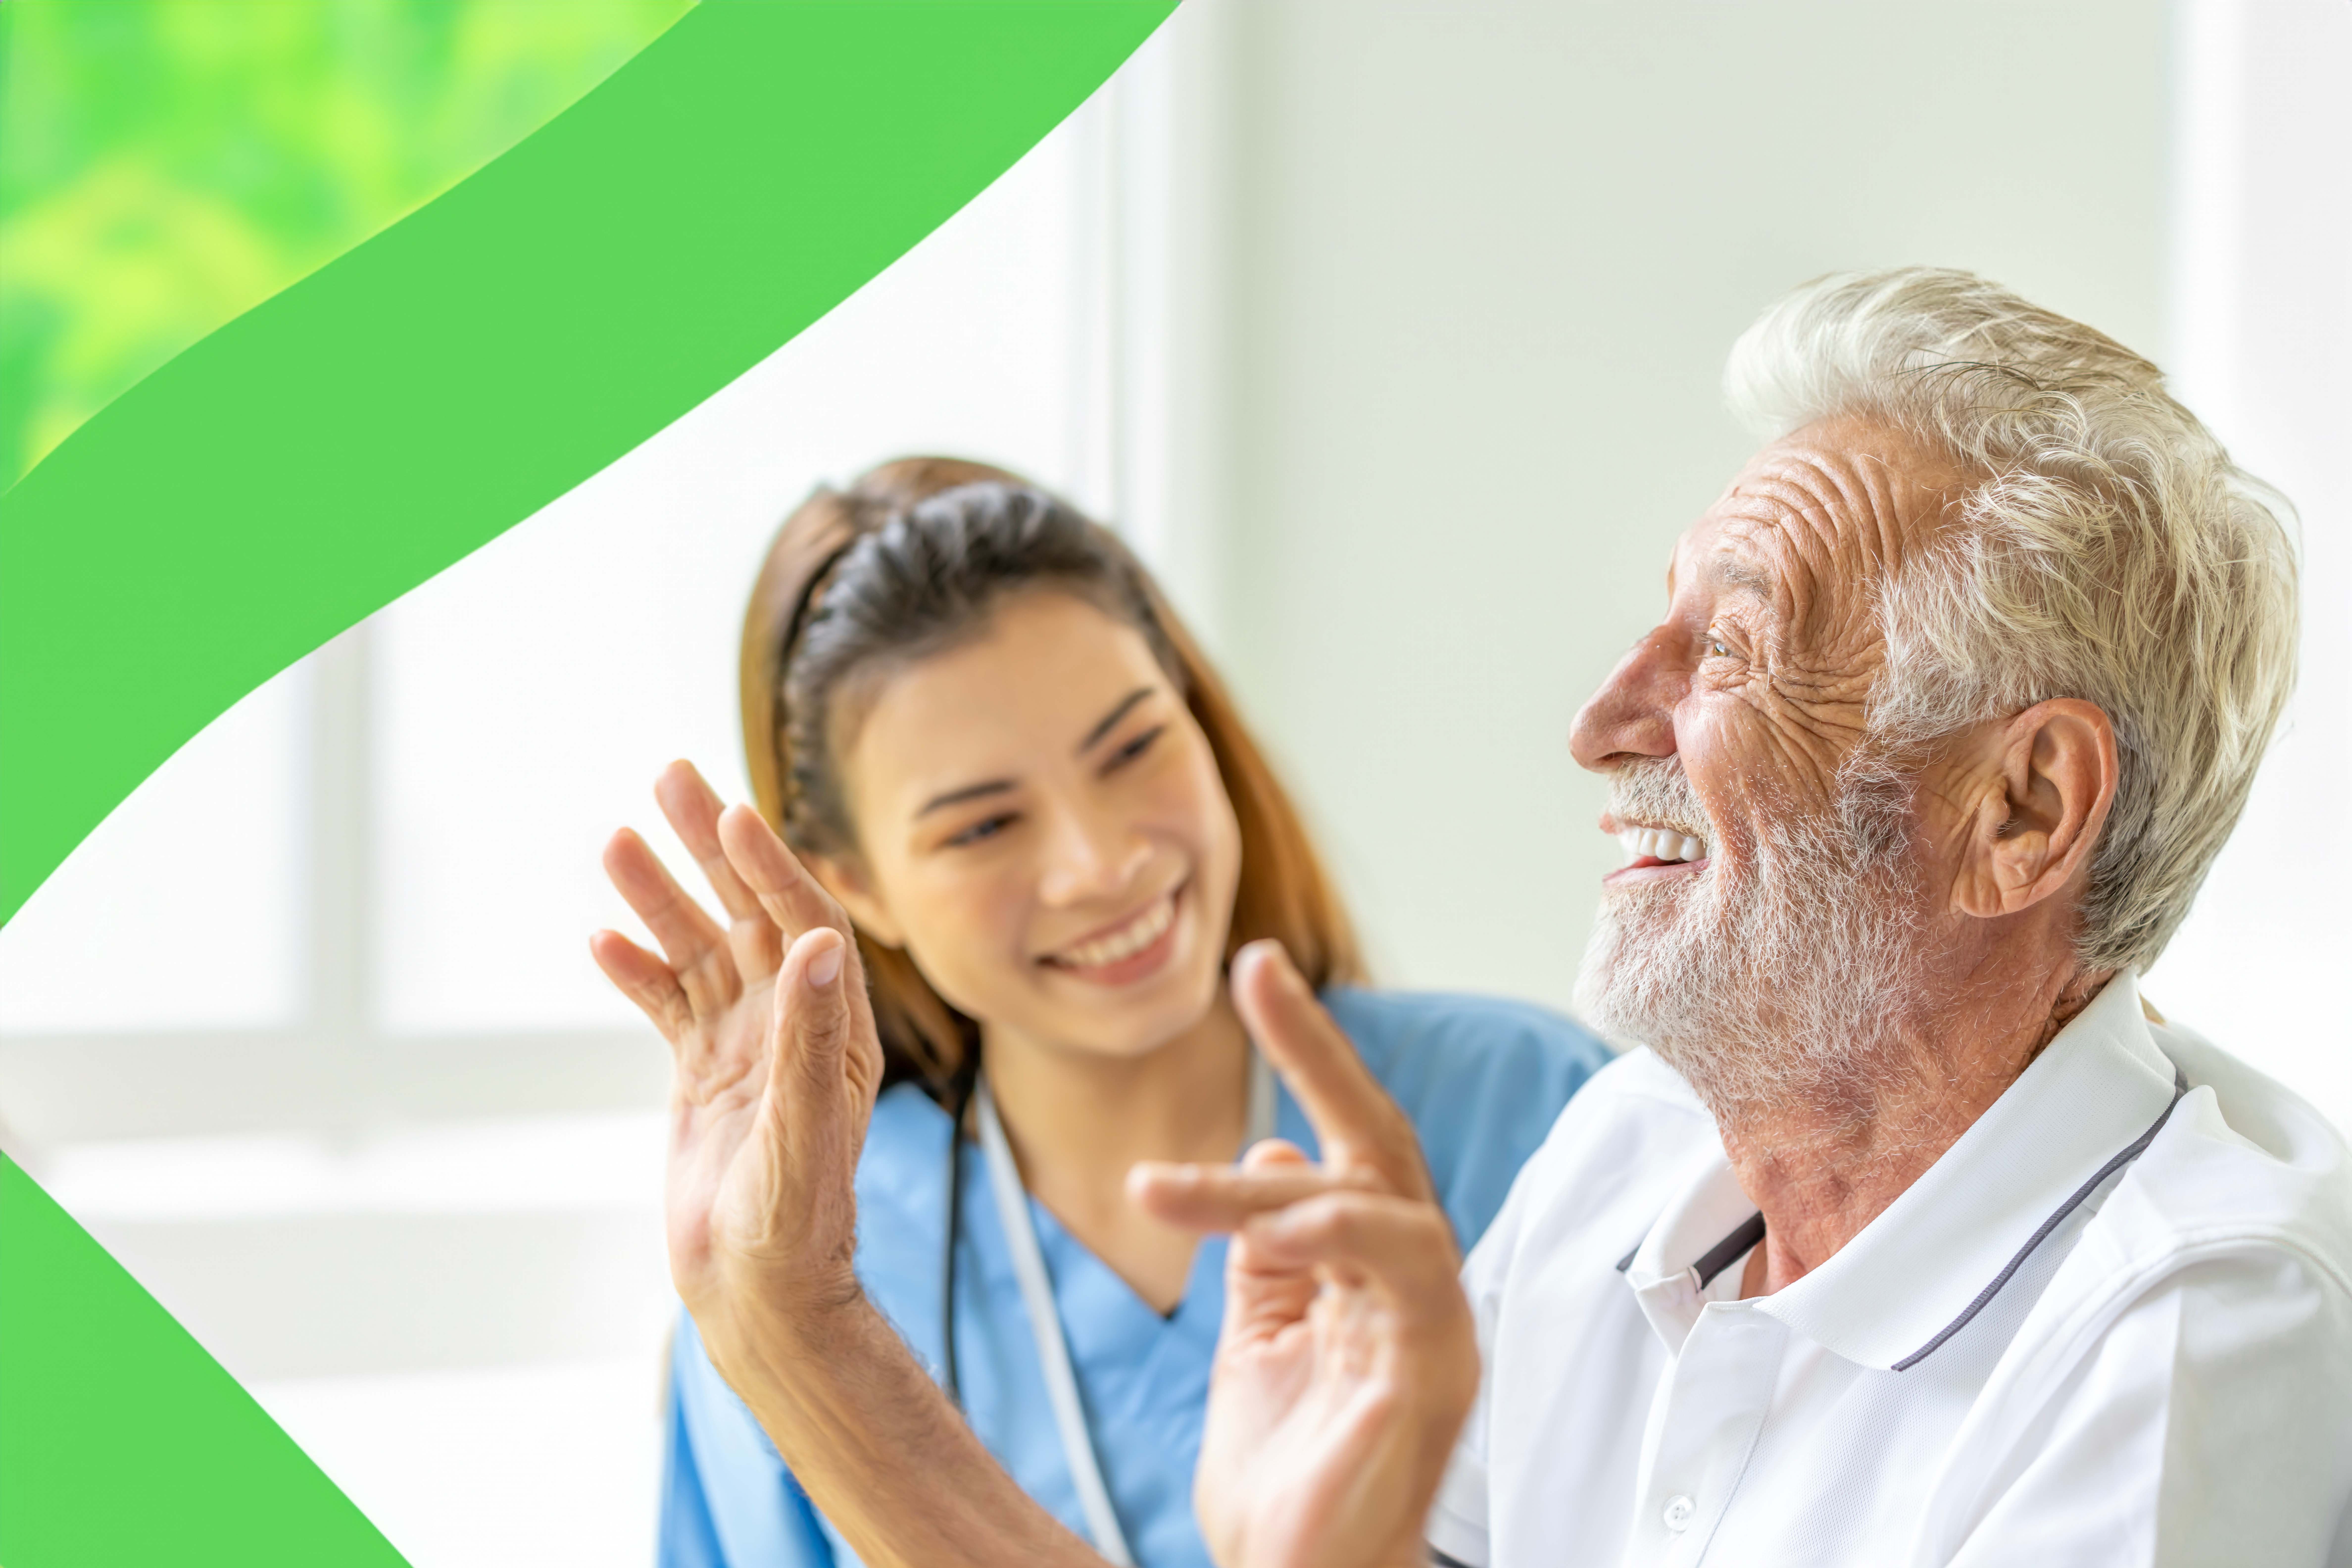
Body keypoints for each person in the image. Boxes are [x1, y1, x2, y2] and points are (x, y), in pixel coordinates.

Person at [620, 270, 2352, 1567]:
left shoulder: (2201, 1324)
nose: (1601, 719)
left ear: (2023, 808)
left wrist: (808, 1340)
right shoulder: (1624, 1157)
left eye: (1730, 648)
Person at [588, 458, 1611, 1567]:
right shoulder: (795, 1252)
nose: (1100, 863)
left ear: (1197, 716)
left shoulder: (1543, 1114)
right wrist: (791, 1329)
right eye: (982, 827)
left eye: (1132, 749)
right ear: (856, 886)